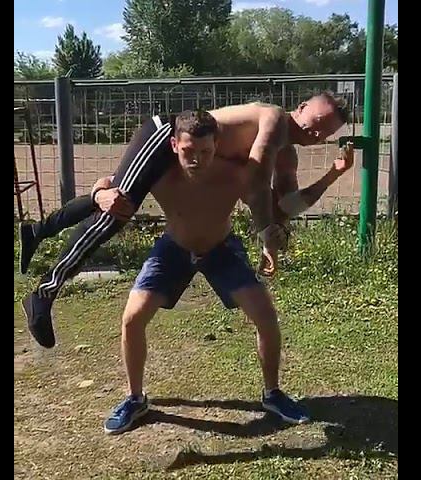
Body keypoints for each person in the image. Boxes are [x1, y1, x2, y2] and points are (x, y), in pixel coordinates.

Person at [21, 93, 349, 348]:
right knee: (115, 210)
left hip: (193, 154)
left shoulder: (287, 155)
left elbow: (286, 206)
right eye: (317, 121)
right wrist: (266, 237)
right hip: (168, 137)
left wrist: (333, 175)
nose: (316, 132)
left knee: (112, 202)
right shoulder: (274, 119)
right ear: (301, 107)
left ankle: (36, 230)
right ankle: (43, 294)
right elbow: (257, 180)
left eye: (326, 132)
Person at [99, 110, 310, 434]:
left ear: (217, 146)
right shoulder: (157, 170)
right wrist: (101, 194)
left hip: (221, 249)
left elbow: (269, 204)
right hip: (173, 248)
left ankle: (273, 394)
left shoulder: (235, 172)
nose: (197, 159)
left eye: (205, 151)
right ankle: (135, 398)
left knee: (266, 315)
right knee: (132, 318)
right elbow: (109, 183)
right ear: (174, 145)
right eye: (188, 151)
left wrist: (270, 238)